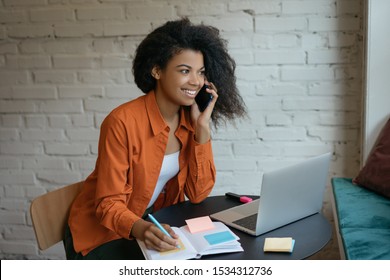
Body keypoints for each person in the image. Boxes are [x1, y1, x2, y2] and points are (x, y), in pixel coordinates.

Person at [65, 17, 247, 259]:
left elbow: (198, 194)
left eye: (201, 72)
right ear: (156, 70)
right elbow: (108, 204)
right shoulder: (122, 121)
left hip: (154, 221)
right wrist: (142, 228)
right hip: (104, 234)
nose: (195, 81)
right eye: (184, 70)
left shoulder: (189, 120)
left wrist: (202, 131)